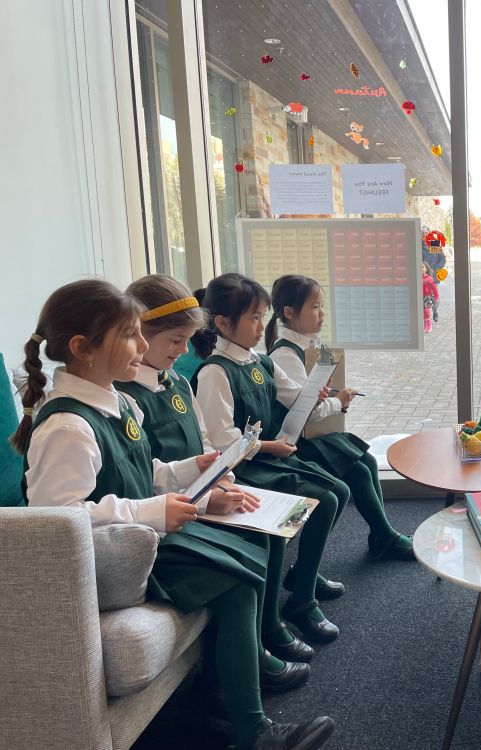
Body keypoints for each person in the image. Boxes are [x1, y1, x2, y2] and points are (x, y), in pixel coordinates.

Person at [11, 279, 335, 750]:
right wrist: (155, 510)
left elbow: (145, 470)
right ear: (83, 348)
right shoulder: (67, 426)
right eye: (130, 335)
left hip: (140, 535)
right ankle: (254, 733)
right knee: (235, 578)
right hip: (112, 561)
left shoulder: (117, 403)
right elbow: (58, 526)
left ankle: (217, 697)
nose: (142, 346)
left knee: (245, 560)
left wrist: (189, 468)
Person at [118, 273, 317, 680]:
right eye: (175, 341)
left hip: (200, 491)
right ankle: (255, 647)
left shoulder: (176, 382)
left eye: (185, 341)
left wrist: (221, 478)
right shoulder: (128, 398)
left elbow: (207, 443)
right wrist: (211, 494)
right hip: (175, 508)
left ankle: (269, 627)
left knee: (275, 524)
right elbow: (146, 477)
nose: (183, 351)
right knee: (259, 537)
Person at [190, 273, 348, 647]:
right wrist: (270, 447)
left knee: (337, 492)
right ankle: (297, 602)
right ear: (223, 324)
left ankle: (303, 583)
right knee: (321, 501)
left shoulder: (258, 362)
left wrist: (317, 394)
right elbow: (224, 445)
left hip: (267, 458)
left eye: (262, 316)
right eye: (254, 318)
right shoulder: (215, 372)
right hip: (242, 470)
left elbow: (296, 397)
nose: (262, 326)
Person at [264, 274, 415, 561]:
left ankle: (381, 534)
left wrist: (334, 400)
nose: (321, 314)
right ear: (289, 313)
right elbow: (307, 411)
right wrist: (339, 401)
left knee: (368, 461)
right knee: (358, 470)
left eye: (321, 306)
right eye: (314, 307)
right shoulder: (285, 355)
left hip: (310, 435)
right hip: (295, 442)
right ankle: (384, 536)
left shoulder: (308, 346)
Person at [422, 263, 439, 334]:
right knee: (422, 312)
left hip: (427, 297)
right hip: (419, 297)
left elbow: (434, 288)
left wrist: (436, 297)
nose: (421, 269)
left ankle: (429, 326)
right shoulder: (416, 278)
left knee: (426, 311)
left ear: (426, 269)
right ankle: (424, 326)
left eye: (422, 267)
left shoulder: (429, 278)